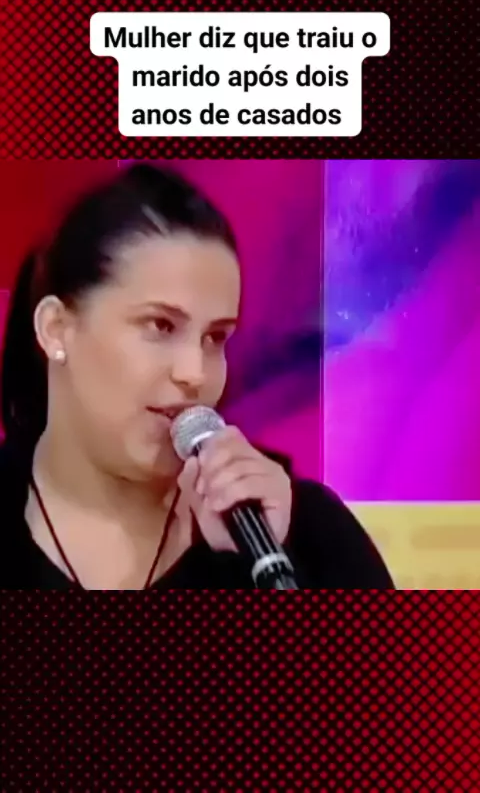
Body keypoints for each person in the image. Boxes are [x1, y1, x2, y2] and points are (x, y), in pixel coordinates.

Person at [0, 163, 393, 590]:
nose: (195, 374)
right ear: (56, 328)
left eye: (215, 337)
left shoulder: (310, 538)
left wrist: (271, 560)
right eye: (161, 326)